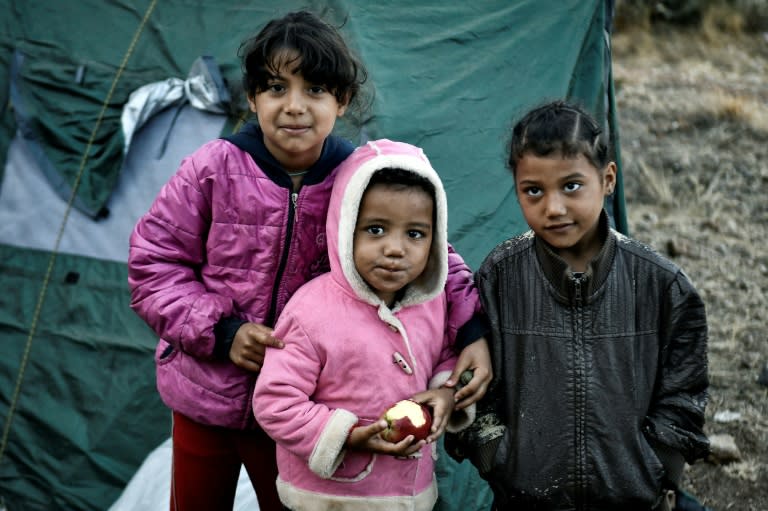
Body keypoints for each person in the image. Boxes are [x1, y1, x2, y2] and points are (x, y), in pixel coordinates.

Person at [127, 10, 491, 511]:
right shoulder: (211, 169)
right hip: (203, 394)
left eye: (315, 89)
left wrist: (471, 331)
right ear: (253, 97)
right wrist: (223, 333)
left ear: (340, 102)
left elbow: (433, 254)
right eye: (276, 88)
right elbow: (154, 265)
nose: (294, 106)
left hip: (306, 403)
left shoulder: (358, 176)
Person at [445, 100, 710, 510]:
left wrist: (656, 467)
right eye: (533, 190)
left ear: (607, 179)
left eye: (571, 186)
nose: (553, 208)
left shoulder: (661, 284)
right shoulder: (500, 277)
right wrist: (497, 457)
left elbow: (685, 391)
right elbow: (475, 385)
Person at [253, 139, 476, 511]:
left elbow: (445, 356)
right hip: (328, 499)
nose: (394, 249)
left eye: (415, 234)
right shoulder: (311, 311)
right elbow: (276, 402)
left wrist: (445, 393)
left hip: (408, 493)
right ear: (344, 229)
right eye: (375, 230)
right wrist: (348, 435)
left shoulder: (432, 303)